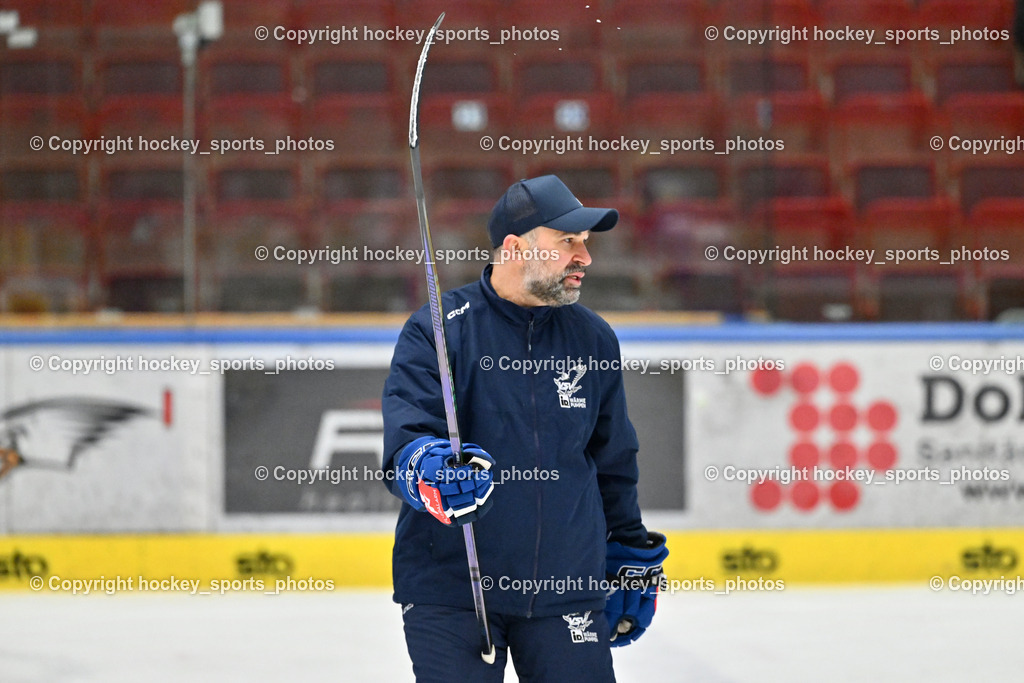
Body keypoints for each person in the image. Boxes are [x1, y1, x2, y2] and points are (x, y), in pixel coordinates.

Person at [381, 175, 668, 682]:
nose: (585, 258)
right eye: (567, 243)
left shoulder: (593, 339)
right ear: (515, 249)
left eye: (585, 244)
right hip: (454, 588)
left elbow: (613, 460)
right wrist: (433, 472)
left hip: (566, 588)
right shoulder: (439, 329)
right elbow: (406, 441)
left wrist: (627, 548)